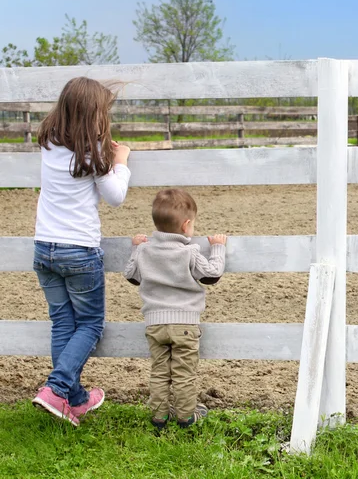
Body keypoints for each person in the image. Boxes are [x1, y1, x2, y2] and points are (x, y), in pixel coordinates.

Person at [32, 77, 131, 427]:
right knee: (90, 324)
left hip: (45, 248)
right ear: (94, 116)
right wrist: (120, 161)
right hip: (79, 251)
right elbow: (116, 196)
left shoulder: (48, 144)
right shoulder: (94, 155)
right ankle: (55, 388)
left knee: (63, 321)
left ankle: (73, 400)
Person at [124, 188, 226, 429]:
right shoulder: (189, 252)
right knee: (183, 373)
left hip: (155, 324)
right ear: (186, 225)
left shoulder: (145, 251)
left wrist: (135, 248)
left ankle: (159, 417)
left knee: (160, 372)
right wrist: (218, 248)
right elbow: (212, 275)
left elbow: (131, 276)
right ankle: (186, 416)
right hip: (185, 325)